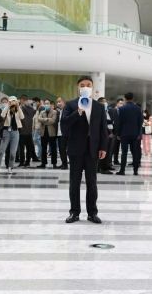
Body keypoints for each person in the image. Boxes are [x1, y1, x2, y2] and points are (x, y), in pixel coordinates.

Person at [61, 76, 108, 224]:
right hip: (75, 149)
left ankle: (92, 213)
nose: (85, 87)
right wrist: (77, 112)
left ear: (92, 88)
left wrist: (103, 147)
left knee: (92, 183)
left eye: (88, 85)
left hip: (92, 150)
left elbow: (103, 129)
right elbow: (64, 125)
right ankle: (74, 212)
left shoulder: (99, 107)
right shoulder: (70, 105)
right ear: (78, 87)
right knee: (74, 183)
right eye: (83, 85)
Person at [0, 96, 24, 174]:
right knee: (1, 150)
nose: (12, 103)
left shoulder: (18, 110)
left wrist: (18, 106)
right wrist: (8, 105)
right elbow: (2, 115)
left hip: (15, 132)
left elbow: (22, 117)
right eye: (11, 101)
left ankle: (10, 167)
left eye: (14, 101)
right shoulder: (6, 109)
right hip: (6, 131)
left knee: (13, 152)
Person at [116, 92, 143, 176]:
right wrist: (139, 133)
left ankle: (122, 170)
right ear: (132, 98)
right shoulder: (138, 109)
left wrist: (118, 133)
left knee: (124, 152)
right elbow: (140, 122)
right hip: (135, 134)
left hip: (124, 133)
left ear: (125, 98)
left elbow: (119, 122)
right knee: (134, 152)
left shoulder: (121, 109)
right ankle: (135, 171)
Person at [37, 99, 58, 169]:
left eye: (47, 103)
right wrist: (47, 119)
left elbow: (53, 121)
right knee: (44, 149)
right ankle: (43, 163)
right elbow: (39, 119)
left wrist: (44, 120)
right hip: (43, 133)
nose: (46, 105)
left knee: (53, 149)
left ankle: (54, 163)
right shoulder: (42, 112)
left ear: (50, 104)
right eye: (45, 103)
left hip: (52, 133)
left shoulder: (54, 112)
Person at [18, 95, 38, 167]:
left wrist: (31, 103)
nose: (23, 101)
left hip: (26, 131)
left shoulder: (26, 108)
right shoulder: (21, 108)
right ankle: (24, 162)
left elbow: (34, 110)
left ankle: (25, 162)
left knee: (25, 148)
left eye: (25, 100)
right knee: (24, 148)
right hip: (24, 131)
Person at [97, 97, 114, 174]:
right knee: (102, 150)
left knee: (108, 151)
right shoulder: (98, 112)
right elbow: (101, 124)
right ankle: (102, 168)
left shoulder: (108, 111)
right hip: (103, 134)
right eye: (103, 102)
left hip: (110, 134)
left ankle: (106, 166)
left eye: (105, 101)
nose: (105, 103)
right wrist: (108, 133)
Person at [55, 97, 69, 170]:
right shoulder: (60, 111)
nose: (58, 103)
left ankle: (65, 165)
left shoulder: (67, 110)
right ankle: (64, 163)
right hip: (59, 133)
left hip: (65, 133)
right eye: (57, 102)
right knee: (61, 149)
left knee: (63, 149)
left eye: (60, 101)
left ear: (64, 102)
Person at [110, 98, 124, 165]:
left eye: (122, 104)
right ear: (117, 103)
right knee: (112, 148)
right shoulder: (112, 110)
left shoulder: (122, 111)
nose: (121, 105)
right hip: (113, 132)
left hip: (119, 132)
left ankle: (116, 160)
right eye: (120, 103)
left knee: (117, 147)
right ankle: (109, 161)